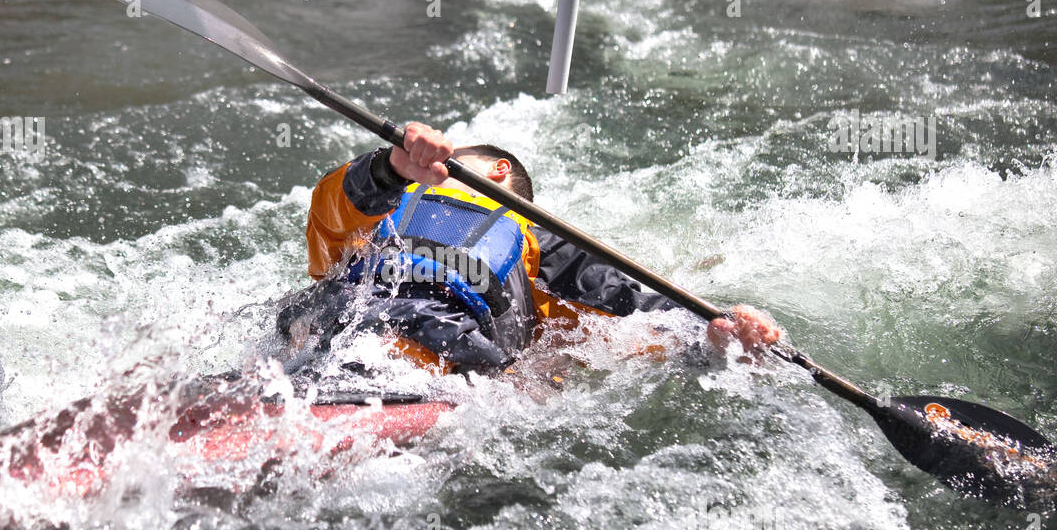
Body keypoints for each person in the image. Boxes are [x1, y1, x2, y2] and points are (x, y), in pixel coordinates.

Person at [276, 122, 781, 373]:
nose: (432, 164)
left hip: (443, 356)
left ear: (496, 171)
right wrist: (386, 167)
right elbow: (330, 212)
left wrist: (718, 332)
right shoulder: (377, 207)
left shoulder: (542, 247)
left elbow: (636, 315)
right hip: (322, 336)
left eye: (456, 153)